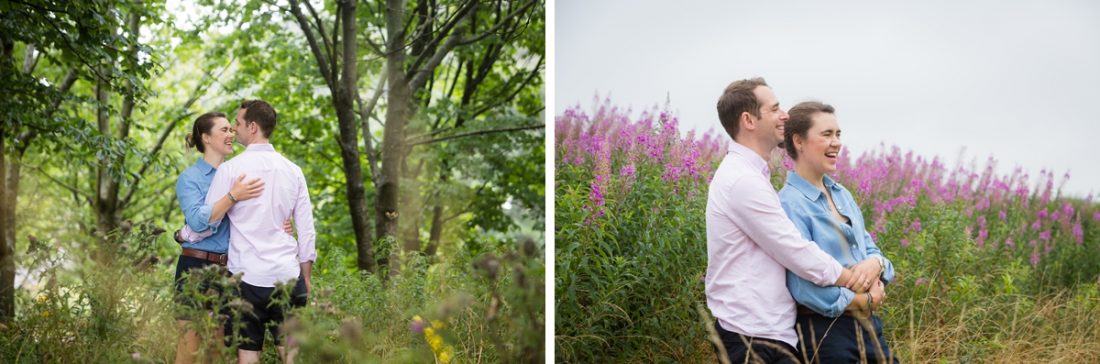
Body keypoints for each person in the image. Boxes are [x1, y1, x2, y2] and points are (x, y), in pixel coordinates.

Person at [706, 77, 878, 364]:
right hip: (752, 332)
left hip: (768, 331)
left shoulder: (753, 177)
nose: (784, 115)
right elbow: (794, 250)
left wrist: (875, 265)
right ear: (749, 120)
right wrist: (855, 284)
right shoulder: (742, 181)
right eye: (774, 109)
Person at [778, 101, 897, 363]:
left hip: (869, 326)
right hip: (825, 333)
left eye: (838, 134)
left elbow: (875, 253)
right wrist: (862, 299)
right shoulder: (788, 204)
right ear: (798, 141)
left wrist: (876, 264)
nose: (837, 143)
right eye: (827, 134)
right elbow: (802, 287)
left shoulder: (842, 195)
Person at [205, 99, 316, 364]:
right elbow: (307, 228)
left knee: (248, 355)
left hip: (247, 277)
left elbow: (209, 219)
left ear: (252, 127)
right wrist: (306, 278)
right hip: (288, 276)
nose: (234, 129)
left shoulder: (230, 170)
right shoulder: (294, 171)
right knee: (290, 355)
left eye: (238, 124)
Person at [173, 111, 265, 364]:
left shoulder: (237, 174)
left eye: (231, 129)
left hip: (228, 269)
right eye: (224, 130)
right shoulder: (190, 178)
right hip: (195, 266)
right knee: (188, 349)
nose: (231, 134)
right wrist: (232, 196)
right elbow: (197, 221)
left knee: (218, 352)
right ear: (206, 137)